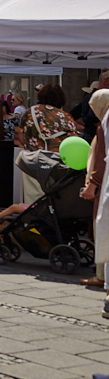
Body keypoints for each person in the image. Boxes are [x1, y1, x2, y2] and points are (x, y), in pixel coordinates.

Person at [80, 89, 109, 289]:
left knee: (102, 228)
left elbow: (100, 160)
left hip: (103, 185)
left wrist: (92, 185)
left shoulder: (103, 127)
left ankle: (102, 275)